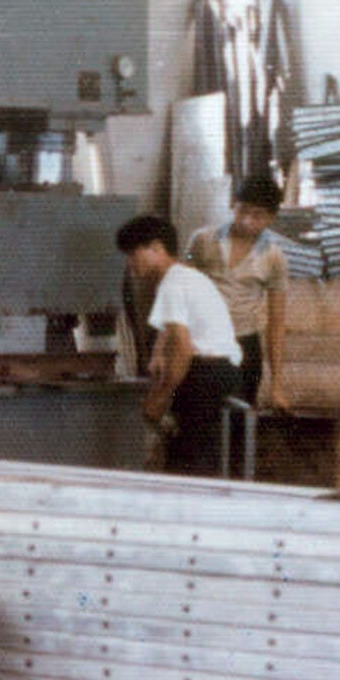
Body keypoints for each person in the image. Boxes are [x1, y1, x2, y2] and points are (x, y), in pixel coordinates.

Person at [116, 214, 245, 477]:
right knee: (190, 455)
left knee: (190, 463)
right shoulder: (186, 277)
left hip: (206, 374)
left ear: (156, 248)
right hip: (223, 370)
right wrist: (157, 355)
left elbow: (183, 349)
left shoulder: (172, 284)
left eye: (133, 254)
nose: (130, 263)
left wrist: (160, 396)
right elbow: (171, 330)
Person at [186, 173, 290, 411]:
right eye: (242, 210)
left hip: (244, 347)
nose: (246, 221)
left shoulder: (275, 257)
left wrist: (276, 385)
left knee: (239, 422)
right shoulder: (201, 240)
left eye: (257, 215)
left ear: (271, 218)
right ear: (233, 204)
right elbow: (180, 293)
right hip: (201, 345)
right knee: (197, 418)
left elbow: (276, 322)